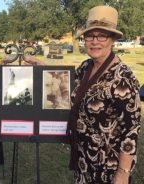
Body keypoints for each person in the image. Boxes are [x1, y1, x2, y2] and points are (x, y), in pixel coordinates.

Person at [66, 5, 141, 184]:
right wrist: (41, 70)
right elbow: (64, 85)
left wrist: (122, 174)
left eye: (102, 36)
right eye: (90, 35)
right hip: (84, 161)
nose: (95, 41)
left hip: (108, 167)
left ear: (112, 39)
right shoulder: (86, 67)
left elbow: (131, 130)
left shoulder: (123, 78)